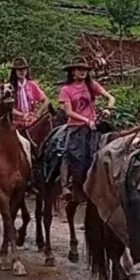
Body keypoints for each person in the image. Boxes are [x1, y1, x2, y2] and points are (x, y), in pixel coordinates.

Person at [58, 59, 116, 200]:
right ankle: (65, 185)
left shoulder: (91, 85)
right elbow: (69, 112)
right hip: (76, 127)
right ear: (73, 72)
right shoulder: (66, 89)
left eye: (85, 69)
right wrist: (86, 120)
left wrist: (108, 108)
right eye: (79, 69)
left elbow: (111, 97)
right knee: (68, 153)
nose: (83, 72)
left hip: (93, 126)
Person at [9, 57, 48, 129]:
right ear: (15, 71)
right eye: (19, 70)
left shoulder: (32, 85)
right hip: (15, 122)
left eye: (24, 69)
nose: (22, 72)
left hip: (31, 120)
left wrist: (37, 115)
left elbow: (45, 100)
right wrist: (22, 115)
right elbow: (8, 107)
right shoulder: (10, 87)